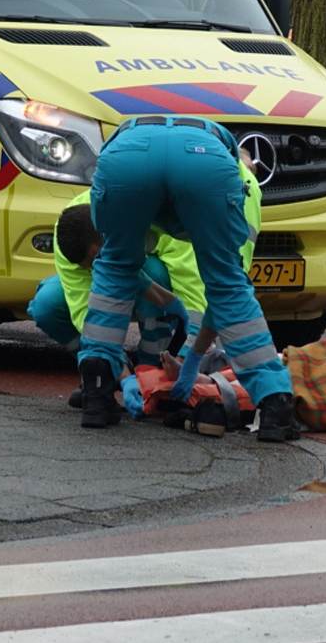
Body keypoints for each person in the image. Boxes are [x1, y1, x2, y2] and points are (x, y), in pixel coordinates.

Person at [78, 115, 297, 441]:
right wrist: (194, 358)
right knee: (228, 284)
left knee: (115, 267)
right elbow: (225, 293)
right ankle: (275, 403)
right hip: (201, 159)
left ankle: (96, 389)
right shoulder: (240, 186)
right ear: (243, 169)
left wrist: (192, 360)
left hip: (127, 151)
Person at [29, 197, 207, 366]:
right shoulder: (70, 233)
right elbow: (83, 310)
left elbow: (190, 285)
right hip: (124, 276)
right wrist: (112, 362)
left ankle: (153, 364)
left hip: (148, 279)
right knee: (47, 304)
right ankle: (95, 364)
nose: (101, 270)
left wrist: (188, 353)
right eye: (92, 266)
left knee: (153, 270)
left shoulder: (164, 219)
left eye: (100, 259)